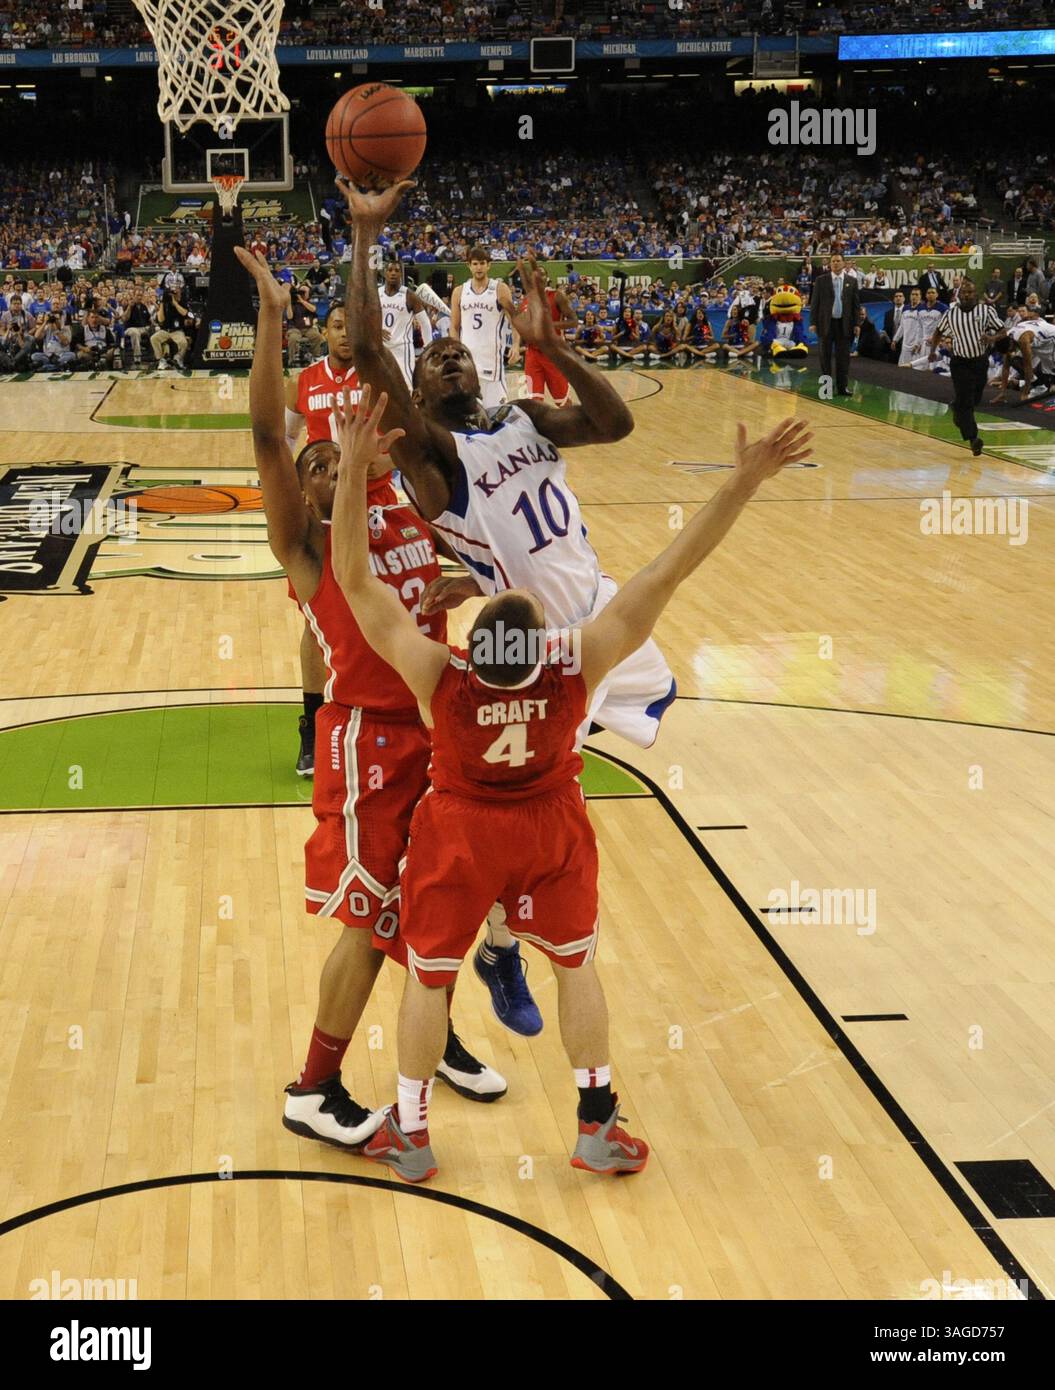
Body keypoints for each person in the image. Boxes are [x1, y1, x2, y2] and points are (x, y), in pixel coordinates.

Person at [327, 384, 813, 1183]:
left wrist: (353, 471)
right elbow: (672, 565)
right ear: (538, 641)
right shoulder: (579, 664)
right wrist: (743, 480)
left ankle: (411, 1135)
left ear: (471, 640)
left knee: (427, 974)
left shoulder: (437, 674)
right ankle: (595, 1124)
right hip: (549, 826)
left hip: (458, 829)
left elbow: (354, 579)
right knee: (576, 966)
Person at [338, 177, 676, 1035]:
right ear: (416, 396)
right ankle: (497, 944)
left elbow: (615, 427)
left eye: (458, 351)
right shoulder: (434, 459)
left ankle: (497, 944)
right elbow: (371, 356)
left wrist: (553, 348)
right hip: (532, 656)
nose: (450, 356)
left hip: (592, 618)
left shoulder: (523, 415)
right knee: (524, 806)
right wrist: (366, 237)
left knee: (537, 801)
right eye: (434, 357)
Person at [233, 246, 506, 1152]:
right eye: (315, 462)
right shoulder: (310, 547)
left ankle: (441, 1037)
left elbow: (457, 557)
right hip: (365, 742)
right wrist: (273, 317)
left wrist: (455, 587)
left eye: (333, 454)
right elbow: (272, 435)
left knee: (434, 900)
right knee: (370, 917)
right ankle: (313, 1087)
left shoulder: (402, 507)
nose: (325, 460)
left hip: (436, 728)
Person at [283, 301, 363, 776]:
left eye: (352, 327)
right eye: (337, 326)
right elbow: (288, 440)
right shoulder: (306, 381)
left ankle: (390, 711)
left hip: (372, 505)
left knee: (386, 611)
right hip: (323, 516)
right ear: (324, 332)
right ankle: (312, 726)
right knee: (316, 622)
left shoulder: (376, 374)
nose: (345, 334)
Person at [927, 277, 1003, 457]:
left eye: (970, 292)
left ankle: (957, 409)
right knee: (966, 400)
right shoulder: (951, 314)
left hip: (980, 361)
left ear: (975, 294)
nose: (967, 295)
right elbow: (938, 332)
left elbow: (1003, 330)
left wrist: (992, 339)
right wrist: (932, 350)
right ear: (959, 294)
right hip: (960, 362)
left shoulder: (986, 310)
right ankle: (973, 439)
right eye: (964, 292)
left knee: (974, 399)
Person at [450, 244, 516, 409]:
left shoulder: (500, 289)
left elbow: (514, 320)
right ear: (469, 265)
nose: (478, 267)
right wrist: (455, 349)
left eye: (482, 263)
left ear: (489, 265)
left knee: (496, 416)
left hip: (491, 362)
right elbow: (454, 326)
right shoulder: (459, 291)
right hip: (467, 362)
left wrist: (515, 345)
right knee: (469, 415)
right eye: (475, 263)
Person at [811, 252, 860, 395]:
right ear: (830, 264)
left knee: (843, 358)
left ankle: (842, 387)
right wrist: (813, 322)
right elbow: (815, 304)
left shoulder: (852, 281)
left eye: (838, 261)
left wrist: (857, 324)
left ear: (844, 263)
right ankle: (826, 388)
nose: (836, 263)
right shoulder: (821, 280)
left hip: (845, 325)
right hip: (826, 324)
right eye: (833, 261)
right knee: (824, 357)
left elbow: (856, 305)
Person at [378, 259, 432, 389]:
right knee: (381, 387)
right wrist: (375, 329)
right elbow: (366, 318)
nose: (393, 273)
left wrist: (428, 348)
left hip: (402, 349)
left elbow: (425, 324)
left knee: (408, 387)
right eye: (390, 270)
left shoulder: (409, 296)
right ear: (385, 273)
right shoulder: (376, 293)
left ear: (401, 274)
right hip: (381, 349)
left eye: (397, 270)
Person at [520, 280, 577, 405]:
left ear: (546, 279)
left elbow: (573, 321)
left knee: (562, 402)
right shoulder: (526, 300)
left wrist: (551, 325)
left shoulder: (557, 296)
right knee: (534, 401)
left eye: (541, 275)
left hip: (553, 354)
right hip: (532, 354)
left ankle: (574, 423)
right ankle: (535, 425)